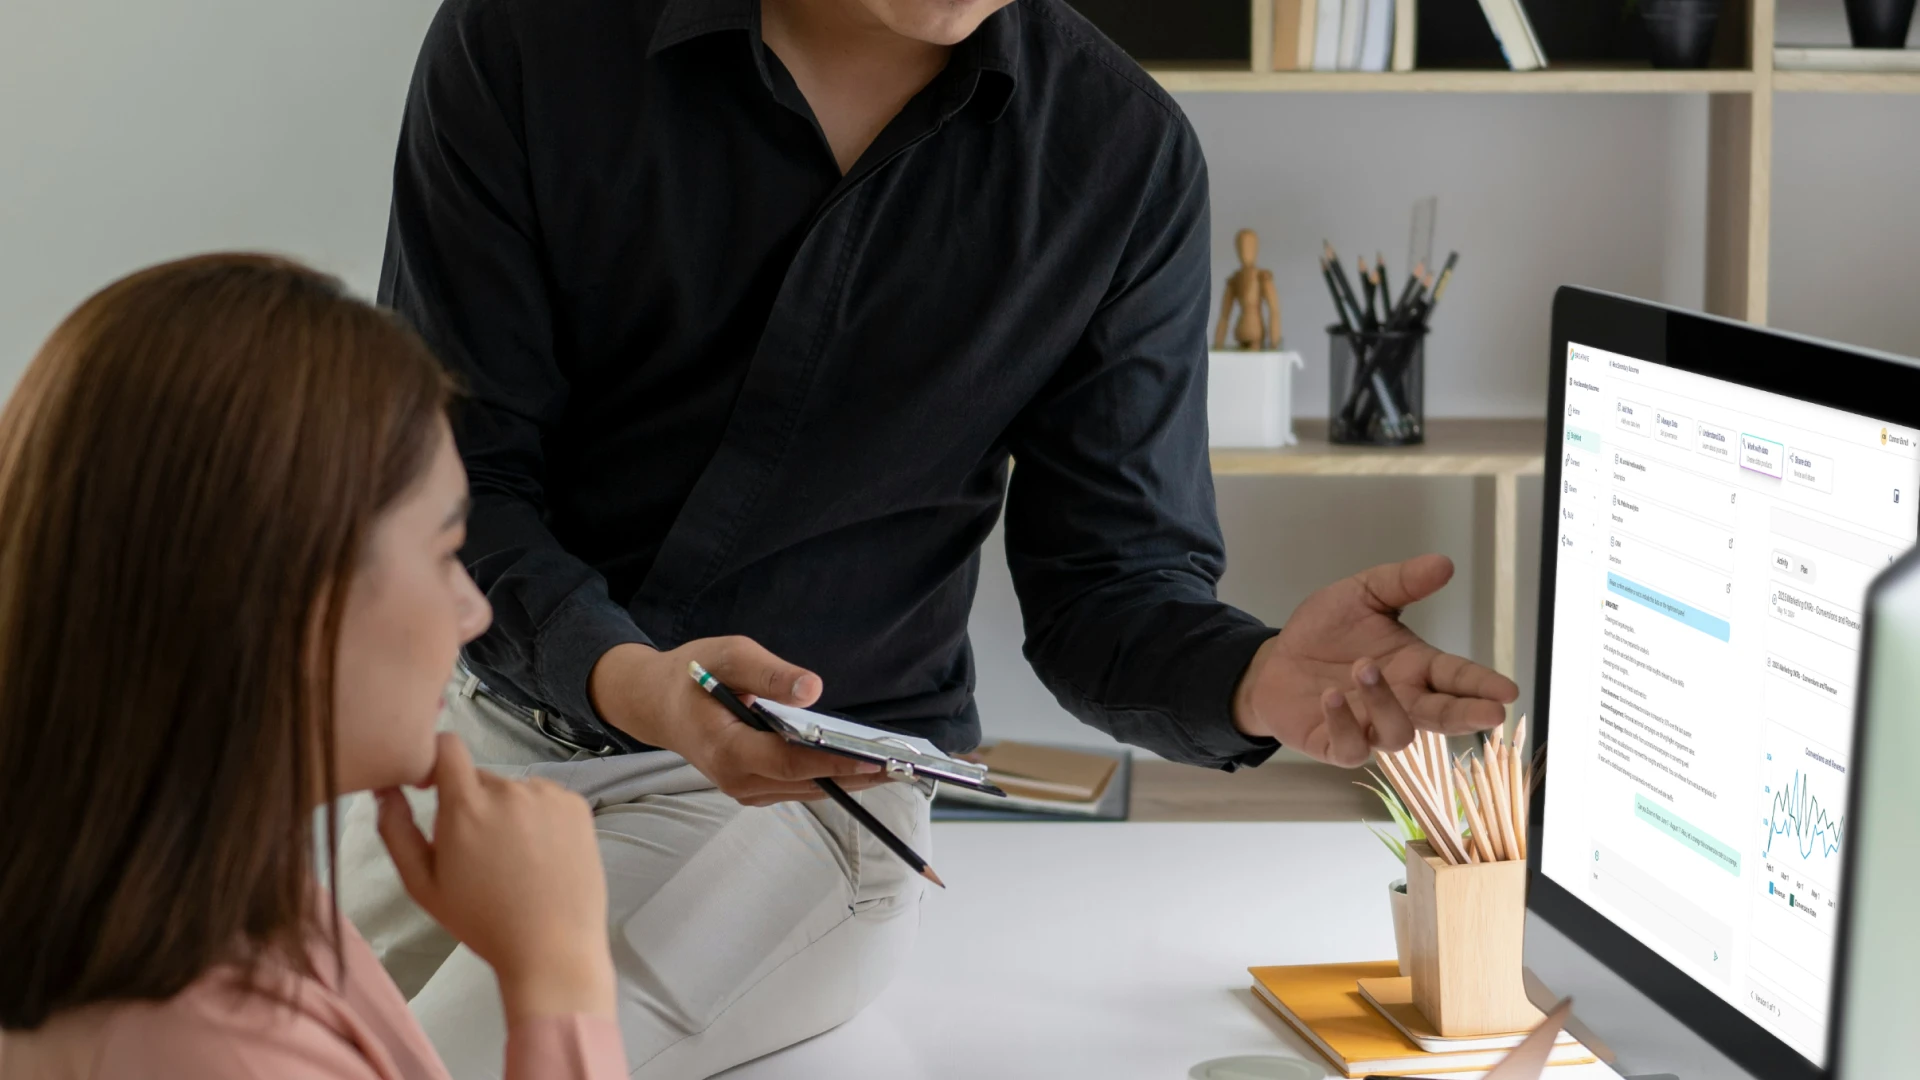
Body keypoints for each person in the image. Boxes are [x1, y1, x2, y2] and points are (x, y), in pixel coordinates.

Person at [340, 0, 1522, 1075]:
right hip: (472, 735)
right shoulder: (527, 40)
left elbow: (1107, 586)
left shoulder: (1119, 154)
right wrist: (636, 683)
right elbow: (458, 482)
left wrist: (1256, 679)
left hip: (812, 804)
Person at [0, 254, 626, 1080]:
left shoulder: (203, 905)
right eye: (445, 553)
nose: (472, 613)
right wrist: (558, 977)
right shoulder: (206, 1047)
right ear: (291, 599)